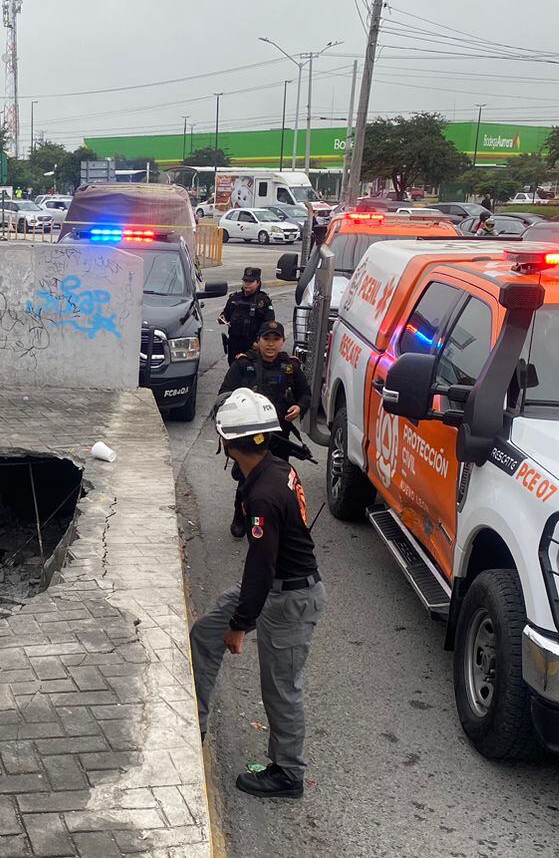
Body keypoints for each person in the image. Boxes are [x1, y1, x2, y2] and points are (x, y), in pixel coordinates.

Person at [190, 389, 326, 799]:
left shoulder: (264, 494)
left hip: (288, 599)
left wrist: (240, 625)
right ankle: (193, 721)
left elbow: (260, 566)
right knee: (204, 633)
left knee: (282, 688)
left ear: (228, 443)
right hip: (276, 588)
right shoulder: (273, 468)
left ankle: (288, 774)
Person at [218, 320, 311, 475]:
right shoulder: (243, 365)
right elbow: (223, 396)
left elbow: (306, 394)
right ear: (258, 340)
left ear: (283, 342)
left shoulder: (290, 366)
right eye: (266, 339)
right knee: (247, 482)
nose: (271, 344)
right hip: (248, 437)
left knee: (277, 479)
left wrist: (299, 407)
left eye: (276, 340)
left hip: (279, 436)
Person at [218, 267, 274, 362]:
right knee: (234, 370)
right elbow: (226, 314)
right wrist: (222, 317)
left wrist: (259, 342)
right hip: (234, 343)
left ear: (258, 283)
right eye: (245, 281)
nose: (247, 284)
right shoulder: (234, 298)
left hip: (252, 344)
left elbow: (269, 324)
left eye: (250, 282)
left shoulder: (263, 301)